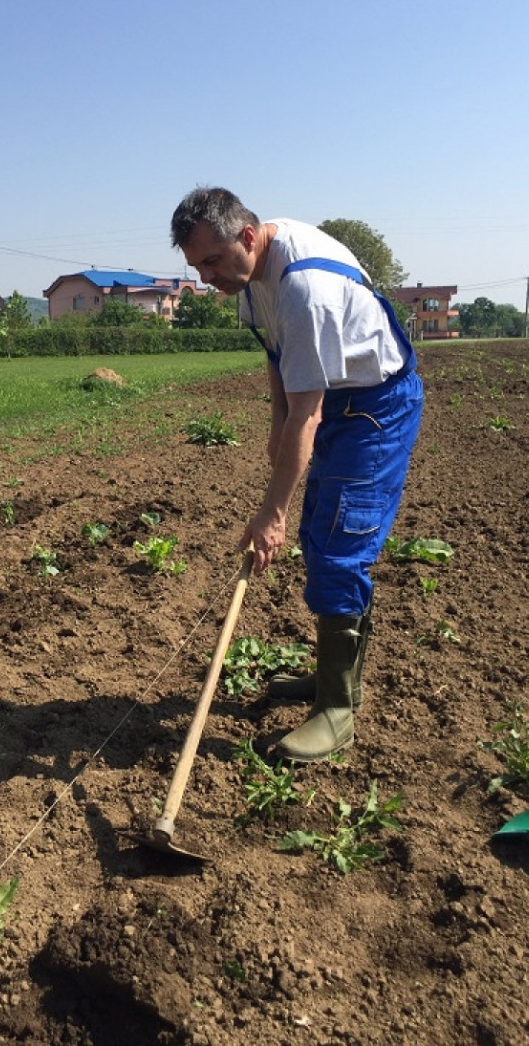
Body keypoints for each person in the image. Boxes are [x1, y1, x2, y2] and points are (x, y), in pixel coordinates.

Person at [170, 187, 423, 762]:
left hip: (375, 407)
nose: (207, 276)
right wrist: (276, 423)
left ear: (249, 236)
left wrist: (271, 513)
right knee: (321, 534)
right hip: (333, 397)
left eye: (212, 261)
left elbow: (309, 412)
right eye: (196, 266)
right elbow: (277, 357)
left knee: (339, 546)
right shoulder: (249, 272)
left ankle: (338, 713)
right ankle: (333, 679)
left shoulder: (304, 288)